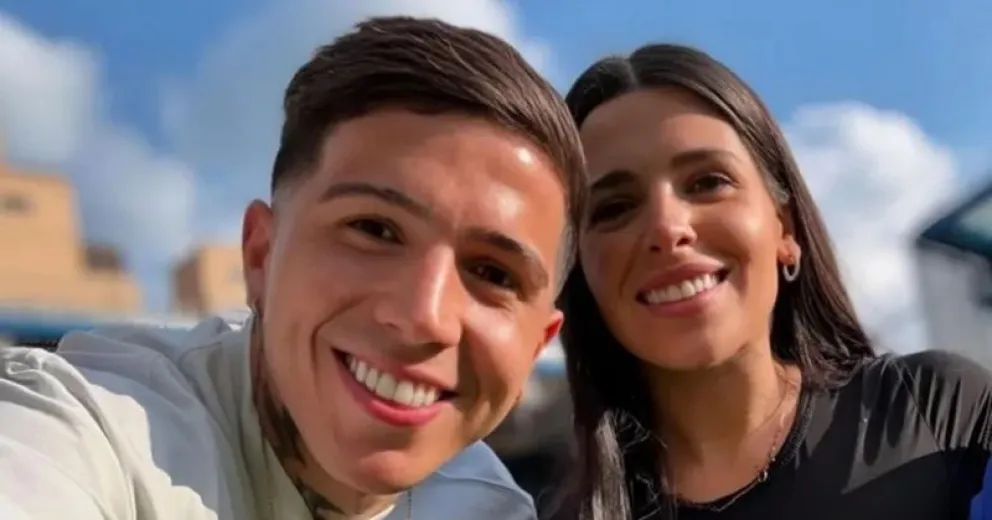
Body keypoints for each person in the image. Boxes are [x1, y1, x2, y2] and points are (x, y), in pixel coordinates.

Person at [0, 16, 585, 520]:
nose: (424, 317)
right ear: (260, 254)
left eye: (495, 274)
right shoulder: (86, 428)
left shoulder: (486, 506)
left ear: (537, 345)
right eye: (374, 230)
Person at [547, 43, 992, 520]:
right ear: (577, 268)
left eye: (707, 182)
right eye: (614, 208)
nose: (667, 228)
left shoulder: (939, 414)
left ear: (786, 228)